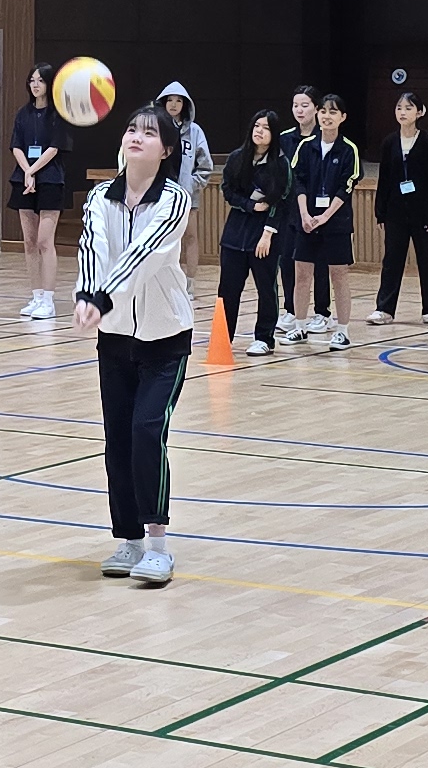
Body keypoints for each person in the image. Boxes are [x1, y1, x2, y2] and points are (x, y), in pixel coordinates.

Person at [75, 111, 197, 585]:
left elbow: (146, 255)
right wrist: (87, 294)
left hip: (166, 338)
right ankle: (128, 541)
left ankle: (159, 545)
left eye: (150, 132)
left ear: (166, 149)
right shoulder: (98, 199)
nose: (137, 137)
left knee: (148, 431)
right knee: (118, 438)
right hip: (116, 338)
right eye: (132, 130)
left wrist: (105, 297)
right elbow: (92, 248)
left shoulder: (174, 200)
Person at [288, 92, 363, 351]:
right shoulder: (305, 146)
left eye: (333, 112)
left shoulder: (348, 150)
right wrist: (306, 216)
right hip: (307, 221)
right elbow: (297, 181)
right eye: (323, 111)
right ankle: (299, 326)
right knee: (301, 274)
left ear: (342, 117)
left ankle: (341, 331)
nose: (327, 116)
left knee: (339, 274)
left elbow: (347, 187)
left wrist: (324, 217)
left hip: (336, 223)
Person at [217, 109, 290, 357]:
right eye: (257, 126)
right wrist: (249, 205)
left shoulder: (280, 163)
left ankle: (264, 338)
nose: (260, 131)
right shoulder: (238, 158)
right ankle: (223, 336)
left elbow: (281, 201)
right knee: (228, 288)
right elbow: (227, 190)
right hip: (236, 232)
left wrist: (268, 234)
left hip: (264, 233)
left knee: (265, 287)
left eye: (266, 128)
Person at [371, 88, 428, 324]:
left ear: (420, 112)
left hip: (423, 213)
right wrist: (380, 211)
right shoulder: (389, 142)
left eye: (408, 108)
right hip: (395, 212)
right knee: (392, 261)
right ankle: (384, 309)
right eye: (399, 108)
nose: (402, 112)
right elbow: (384, 178)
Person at [9, 62, 72, 319]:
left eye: (40, 80)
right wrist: (26, 171)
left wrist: (33, 170)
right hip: (24, 178)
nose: (35, 85)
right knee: (29, 242)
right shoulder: (23, 114)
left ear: (49, 84)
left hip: (49, 179)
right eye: (32, 80)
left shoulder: (58, 115)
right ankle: (35, 296)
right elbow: (16, 146)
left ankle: (48, 299)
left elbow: (54, 148)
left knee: (45, 241)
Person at [270, 85, 321, 335]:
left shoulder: (325, 137)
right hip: (289, 209)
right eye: (296, 105)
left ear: (316, 108)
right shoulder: (285, 139)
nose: (299, 110)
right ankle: (290, 310)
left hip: (318, 209)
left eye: (305, 105)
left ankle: (322, 312)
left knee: (319, 262)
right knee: (287, 261)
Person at [156, 82, 214, 265]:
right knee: (162, 240)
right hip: (159, 195)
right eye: (170, 100)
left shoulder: (195, 131)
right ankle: (161, 283)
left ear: (185, 104)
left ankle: (189, 286)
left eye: (178, 100)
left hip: (187, 197)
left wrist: (190, 184)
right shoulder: (155, 128)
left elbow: (205, 165)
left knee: (190, 237)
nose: (173, 104)